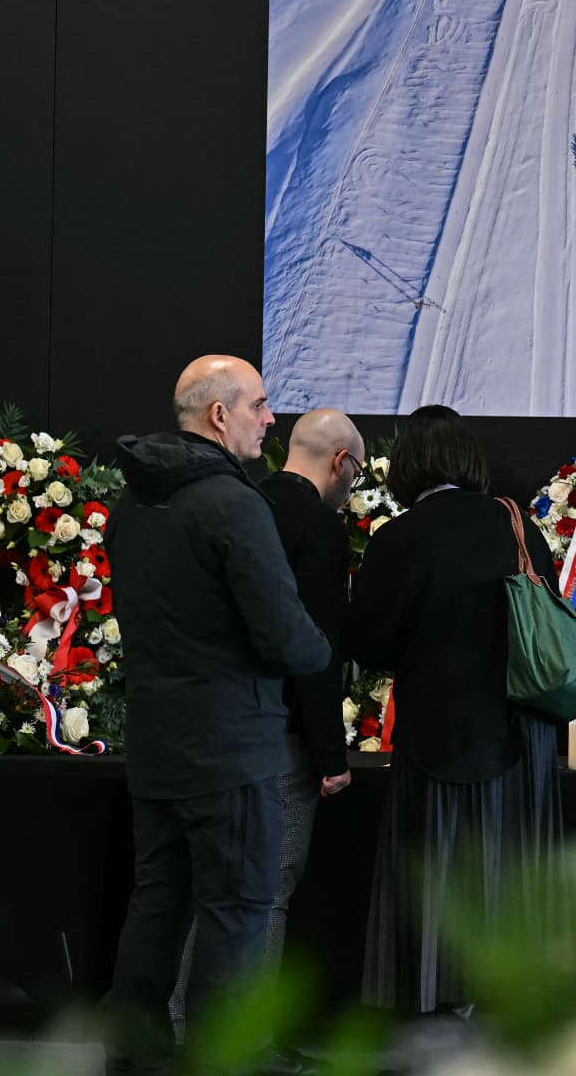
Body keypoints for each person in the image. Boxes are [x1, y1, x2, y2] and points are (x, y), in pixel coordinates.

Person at [103, 355, 331, 1074]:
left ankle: (133, 1060)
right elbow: (286, 636)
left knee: (156, 906)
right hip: (232, 751)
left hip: (157, 744)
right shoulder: (234, 505)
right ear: (219, 415)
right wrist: (324, 648)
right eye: (261, 405)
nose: (271, 420)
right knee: (236, 914)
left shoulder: (132, 504)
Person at [344, 404, 564, 1014]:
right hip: (522, 731)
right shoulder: (514, 523)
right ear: (468, 459)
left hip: (439, 732)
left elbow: (368, 643)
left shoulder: (399, 538)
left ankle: (436, 1001)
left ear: (409, 466)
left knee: (438, 873)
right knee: (514, 863)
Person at [169, 409, 364, 1040]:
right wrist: (331, 754)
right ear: (341, 463)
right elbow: (314, 652)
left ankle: (182, 1028)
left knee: (213, 896)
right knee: (266, 895)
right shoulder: (322, 531)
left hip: (211, 728)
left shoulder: (238, 507)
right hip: (279, 738)